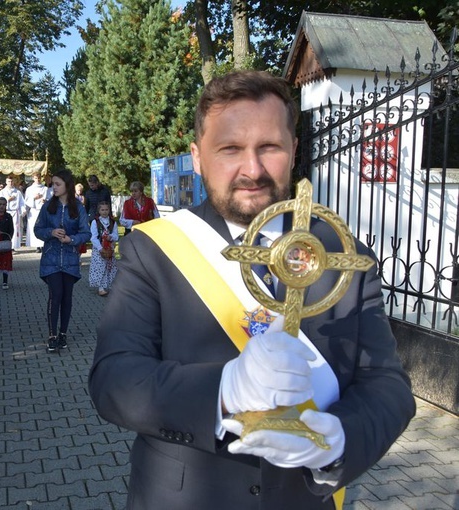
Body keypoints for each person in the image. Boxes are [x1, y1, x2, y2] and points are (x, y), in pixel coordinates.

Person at [88, 70, 415, 509]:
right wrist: (224, 390)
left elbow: (388, 386)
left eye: (270, 147)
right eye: (230, 149)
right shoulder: (154, 250)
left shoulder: (344, 256)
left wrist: (339, 442)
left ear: (294, 150)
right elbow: (114, 380)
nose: (252, 169)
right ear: (198, 156)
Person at [34, 170, 90, 353]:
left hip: (70, 259)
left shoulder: (78, 208)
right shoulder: (48, 207)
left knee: (67, 298)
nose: (54, 187)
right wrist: (50, 232)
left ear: (67, 185)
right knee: (55, 295)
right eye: (53, 184)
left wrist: (71, 240)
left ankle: (63, 334)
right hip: (51, 259)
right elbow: (37, 229)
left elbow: (86, 233)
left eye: (57, 184)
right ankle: (52, 335)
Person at [88, 201, 119, 296]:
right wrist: (100, 248)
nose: (105, 212)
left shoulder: (112, 222)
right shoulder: (95, 222)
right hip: (99, 249)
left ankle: (109, 286)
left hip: (109, 248)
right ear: (99, 211)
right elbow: (93, 237)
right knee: (100, 267)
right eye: (102, 210)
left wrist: (111, 237)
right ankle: (100, 287)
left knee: (109, 267)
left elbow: (116, 235)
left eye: (106, 209)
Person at [24, 171, 50, 252]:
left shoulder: (45, 189)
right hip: (34, 211)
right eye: (36, 178)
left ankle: (42, 244)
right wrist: (34, 198)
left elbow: (50, 199)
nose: (38, 179)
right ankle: (37, 246)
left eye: (39, 178)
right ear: (33, 179)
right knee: (34, 227)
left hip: (42, 210)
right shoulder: (29, 189)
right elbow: (26, 201)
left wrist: (46, 201)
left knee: (43, 227)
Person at [0, 176, 24, 250]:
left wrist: (23, 210)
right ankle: (5, 244)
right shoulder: (2, 192)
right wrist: (8, 199)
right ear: (6, 182)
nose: (10, 183)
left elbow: (21, 203)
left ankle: (13, 245)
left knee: (14, 229)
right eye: (8, 181)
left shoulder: (18, 192)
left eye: (11, 181)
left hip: (15, 213)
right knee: (5, 229)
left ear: (13, 182)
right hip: (5, 212)